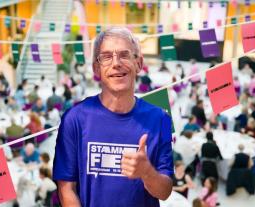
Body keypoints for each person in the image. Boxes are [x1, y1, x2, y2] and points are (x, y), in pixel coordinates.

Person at [53, 27, 174, 207]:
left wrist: (147, 172)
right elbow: (66, 188)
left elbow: (164, 192)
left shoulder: (160, 119)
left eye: (124, 55)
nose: (116, 63)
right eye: (106, 57)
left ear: (139, 64)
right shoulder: (75, 119)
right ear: (96, 68)